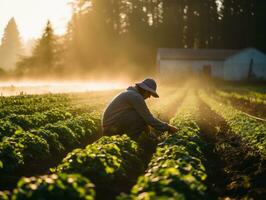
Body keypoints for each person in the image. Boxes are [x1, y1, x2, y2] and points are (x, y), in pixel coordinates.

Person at [102, 78, 178, 140]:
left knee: (140, 117)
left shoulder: (131, 93)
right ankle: (131, 141)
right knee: (141, 118)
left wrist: (148, 132)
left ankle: (142, 139)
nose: (149, 97)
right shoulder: (135, 96)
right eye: (149, 94)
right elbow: (148, 118)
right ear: (145, 90)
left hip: (110, 125)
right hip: (111, 128)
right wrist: (168, 128)